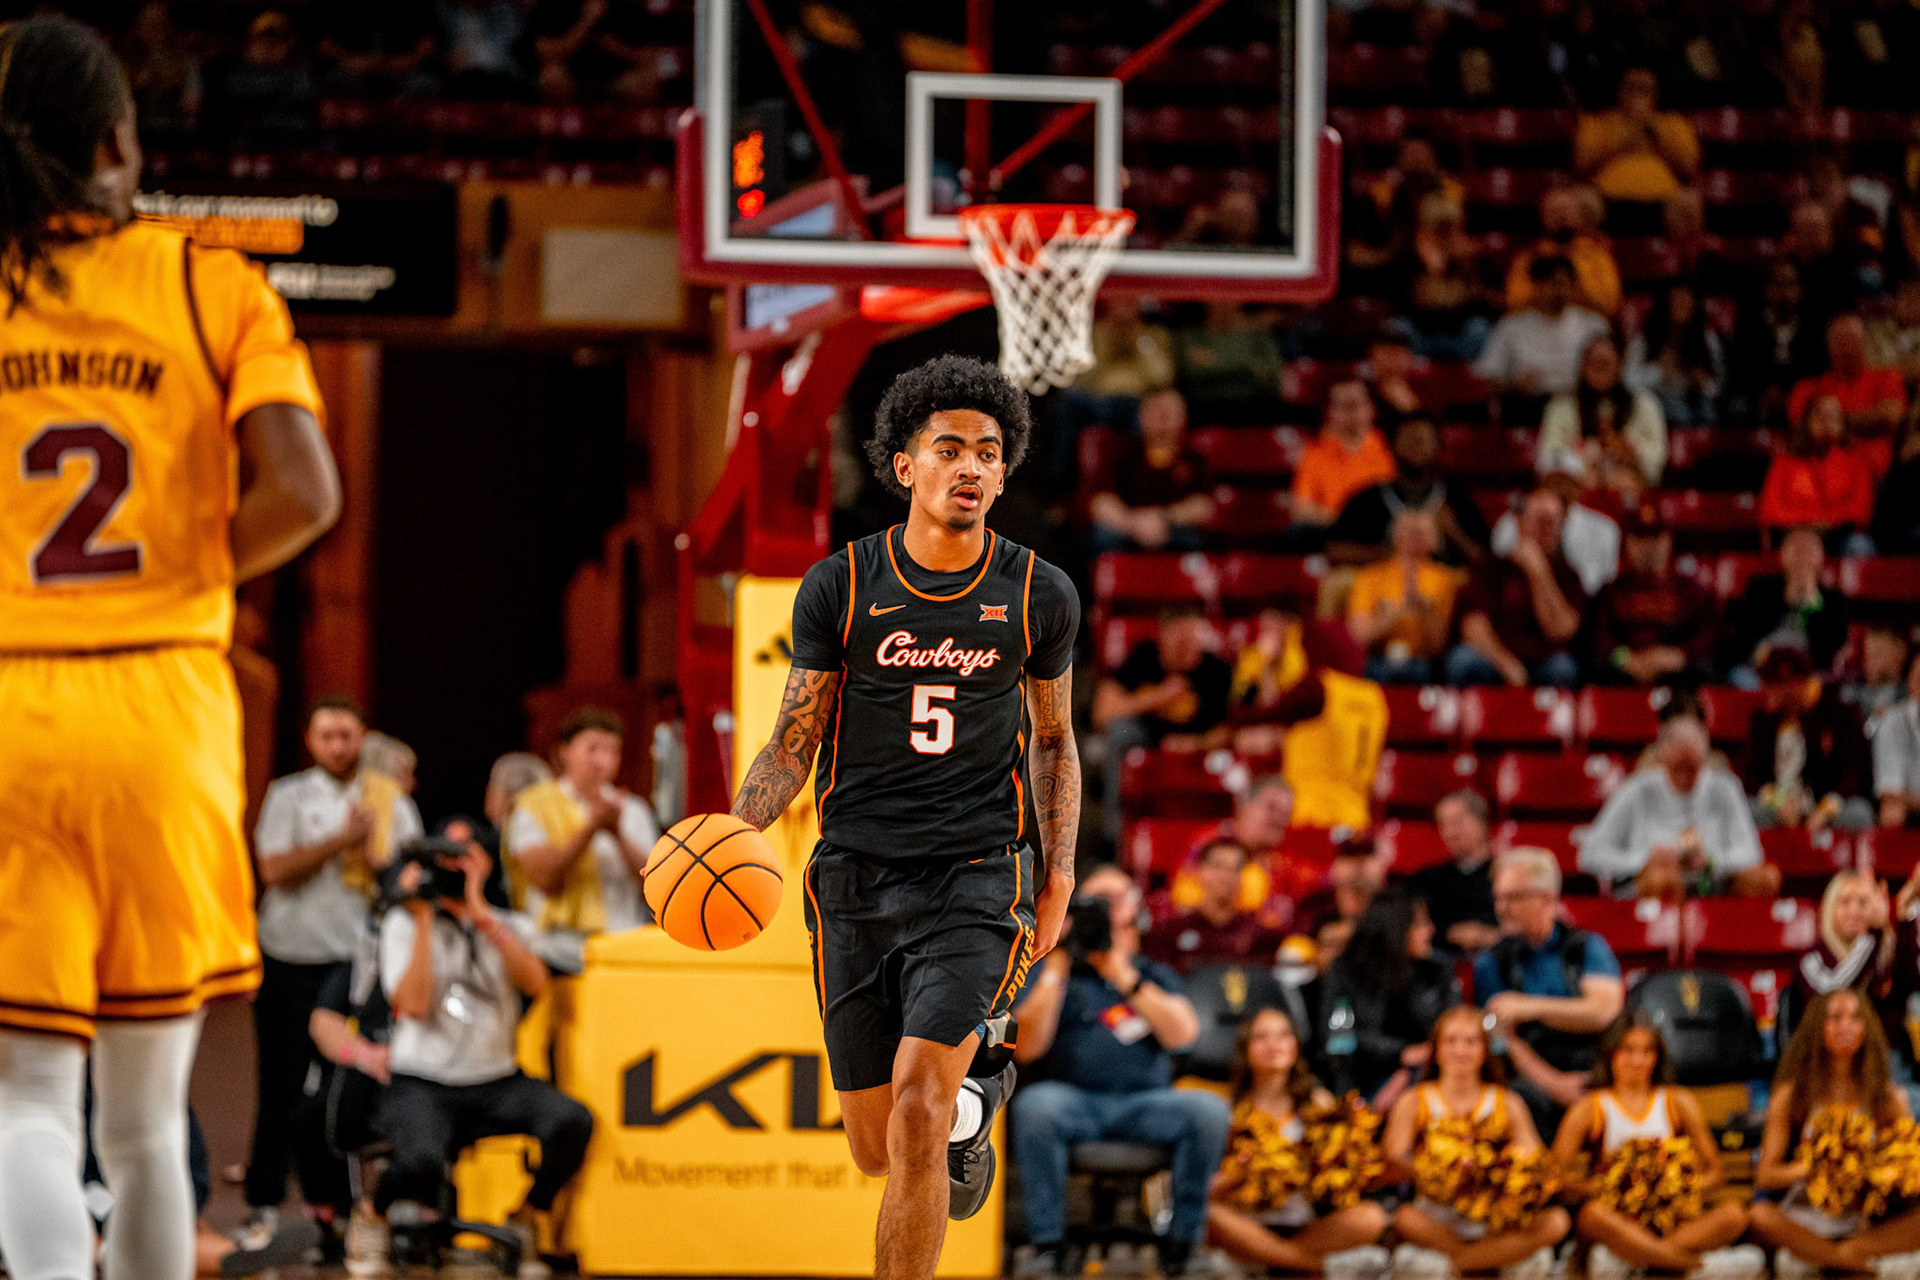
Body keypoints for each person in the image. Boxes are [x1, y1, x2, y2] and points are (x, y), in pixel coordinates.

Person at [0, 18, 340, 1279]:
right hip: (162, 702)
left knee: (26, 1097)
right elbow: (305, 494)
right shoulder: (209, 283)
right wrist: (191, 562)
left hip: (11, 702)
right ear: (115, 141)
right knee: (145, 1125)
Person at [728, 356, 1082, 1274]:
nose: (972, 466)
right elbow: (791, 741)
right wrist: (737, 827)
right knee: (880, 1146)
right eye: (950, 448)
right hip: (853, 874)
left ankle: (954, 1102)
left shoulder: (1038, 592)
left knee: (920, 1106)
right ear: (904, 466)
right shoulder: (840, 585)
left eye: (990, 453)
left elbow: (1053, 742)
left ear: (1005, 474)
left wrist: (1062, 874)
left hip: (976, 876)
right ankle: (977, 1102)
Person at [246, 696, 425, 1245]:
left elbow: (415, 876)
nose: (339, 746)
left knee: (347, 1085)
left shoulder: (388, 801)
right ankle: (263, 1203)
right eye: (327, 736)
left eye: (348, 735)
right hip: (293, 956)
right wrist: (339, 841)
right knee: (281, 1085)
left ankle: (345, 1207)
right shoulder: (289, 795)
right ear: (310, 740)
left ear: (362, 735)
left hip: (360, 964)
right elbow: (273, 869)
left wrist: (383, 861)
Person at [377, 845, 592, 1278]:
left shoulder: (508, 925)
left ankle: (528, 1213)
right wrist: (423, 920)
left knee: (572, 1121)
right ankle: (370, 1212)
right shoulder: (402, 924)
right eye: (445, 865)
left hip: (495, 1080)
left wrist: (480, 913)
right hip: (424, 1080)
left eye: (463, 864)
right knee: (419, 1160)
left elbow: (536, 983)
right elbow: (413, 1005)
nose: (453, 875)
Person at [1011, 867, 1227, 1278]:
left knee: (1208, 1111)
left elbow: (1184, 1035)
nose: (1105, 912)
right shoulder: (1054, 973)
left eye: (1115, 900)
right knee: (1035, 1107)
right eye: (1095, 902)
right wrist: (1057, 960)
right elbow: (1026, 1049)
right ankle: (1047, 1251)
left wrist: (1120, 974)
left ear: (1135, 911)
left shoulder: (1153, 973)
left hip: (1147, 1104)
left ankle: (1184, 1248)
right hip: (1074, 1101)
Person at [1548, 1014, 1753, 1280]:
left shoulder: (1677, 1101)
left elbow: (1716, 1172)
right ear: (1610, 1053)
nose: (1638, 1060)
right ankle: (1688, 1265)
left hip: (1672, 1222)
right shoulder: (1590, 1107)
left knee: (1735, 1215)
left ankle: (1643, 1261)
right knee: (1591, 1216)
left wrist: (1675, 1187)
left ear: (1658, 1056)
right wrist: (1604, 1187)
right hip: (1617, 1221)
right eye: (1628, 1050)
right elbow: (1554, 1177)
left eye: (1647, 1051)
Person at [1384, 1008, 1573, 1279]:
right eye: (1451, 1041)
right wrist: (1443, 1173)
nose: (1461, 1050)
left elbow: (1537, 1164)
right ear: (1435, 1050)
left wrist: (1494, 1173)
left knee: (1557, 1221)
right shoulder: (1414, 1100)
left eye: (1471, 1041)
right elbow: (1392, 1162)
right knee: (1403, 1218)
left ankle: (1464, 1261)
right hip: (1436, 1219)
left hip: (1495, 1222)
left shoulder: (1507, 1102)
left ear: (1485, 1049)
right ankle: (1490, 1259)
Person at [1206, 1008, 1392, 1274]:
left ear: (1295, 1045)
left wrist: (1336, 1168)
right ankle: (1318, 1267)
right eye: (1261, 1037)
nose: (1274, 1045)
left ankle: (1271, 1261)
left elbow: (1342, 1187)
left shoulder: (1319, 1103)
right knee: (1207, 1214)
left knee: (1371, 1217)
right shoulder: (1225, 1109)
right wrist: (1245, 1173)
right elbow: (1203, 1190)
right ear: (1245, 1049)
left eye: (1283, 1035)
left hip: (1304, 1226)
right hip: (1244, 1223)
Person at [1749, 990, 1920, 1276]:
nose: (1846, 1027)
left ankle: (1837, 1256)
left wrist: (1871, 1173)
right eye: (1835, 1018)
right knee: (1759, 1216)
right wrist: (1817, 1166)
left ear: (1867, 1028)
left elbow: (1909, 1172)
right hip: (1807, 1218)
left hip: (1865, 1220)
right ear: (1817, 1028)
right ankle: (1853, 1264)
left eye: (1855, 1018)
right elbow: (1766, 1175)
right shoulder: (1792, 1096)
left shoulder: (1890, 1098)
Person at [1474, 848, 1627, 1134]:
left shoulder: (1585, 947)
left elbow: (1604, 1011)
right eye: (1498, 898)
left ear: (1546, 898)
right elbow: (1500, 1039)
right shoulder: (1491, 960)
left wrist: (1530, 1007)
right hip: (1530, 1075)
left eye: (1513, 898)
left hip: (1593, 1067)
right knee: (1514, 1101)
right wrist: (1553, 1083)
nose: (1501, 909)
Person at [1581, 717, 1780, 899]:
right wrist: (1644, 858)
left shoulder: (1725, 787)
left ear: (1704, 758)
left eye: (1692, 768)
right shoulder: (1637, 789)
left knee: (1765, 878)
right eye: (1678, 767)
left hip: (1715, 885)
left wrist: (1711, 859)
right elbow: (1589, 854)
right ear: (1663, 756)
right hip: (1653, 887)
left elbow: (1752, 853)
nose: (1685, 776)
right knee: (1661, 880)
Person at [504, 707, 658, 938]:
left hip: (623, 940)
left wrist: (618, 834)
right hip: (555, 945)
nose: (602, 762)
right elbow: (544, 878)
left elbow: (655, 886)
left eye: (612, 751)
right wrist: (590, 828)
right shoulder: (532, 805)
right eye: (593, 748)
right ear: (565, 751)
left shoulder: (634, 810)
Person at [1320, 887, 1459, 1108]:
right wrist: (1400, 1053)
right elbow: (1338, 1038)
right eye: (1421, 924)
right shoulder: (1347, 971)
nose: (1431, 930)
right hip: (1360, 1077)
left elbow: (1453, 1030)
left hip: (1424, 1076)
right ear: (1396, 928)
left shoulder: (1437, 971)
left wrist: (1405, 1074)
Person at [1445, 488, 1587, 688]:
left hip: (1542, 660)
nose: (1549, 529)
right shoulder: (1489, 566)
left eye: (1555, 522)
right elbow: (1473, 628)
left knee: (1563, 668)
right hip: (1494, 656)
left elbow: (1561, 631)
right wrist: (1506, 664)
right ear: (1520, 522)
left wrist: (1540, 574)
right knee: (1463, 661)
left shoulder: (1568, 574)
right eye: (1541, 521)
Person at [1327, 415, 1491, 568]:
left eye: (1423, 440)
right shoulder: (1366, 500)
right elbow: (1335, 551)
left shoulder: (1458, 498)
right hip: (1384, 590)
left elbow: (1487, 562)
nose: (1416, 447)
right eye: (1409, 440)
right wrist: (1394, 553)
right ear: (1390, 446)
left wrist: (1453, 532)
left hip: (1444, 589)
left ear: (1438, 446)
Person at [1743, 646, 1875, 832]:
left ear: (1796, 683)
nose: (1765, 689)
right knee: (1748, 810)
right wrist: (1778, 802)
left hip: (1822, 805)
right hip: (1779, 807)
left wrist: (1826, 810)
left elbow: (1855, 774)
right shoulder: (1762, 721)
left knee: (1858, 813)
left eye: (1773, 683)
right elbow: (1753, 776)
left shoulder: (1840, 715)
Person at [1588, 502, 1718, 688]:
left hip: (1679, 674)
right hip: (1625, 673)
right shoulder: (1611, 592)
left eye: (1655, 536)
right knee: (1601, 669)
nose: (1648, 545)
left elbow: (1709, 636)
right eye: (1641, 537)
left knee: (1703, 670)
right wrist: (1626, 658)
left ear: (1668, 540)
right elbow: (1599, 643)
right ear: (1628, 543)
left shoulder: (1691, 589)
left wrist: (1679, 655)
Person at [1473, 256, 1611, 419]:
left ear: (1574, 286)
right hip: (1528, 407)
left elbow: (1613, 374)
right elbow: (1488, 375)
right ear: (1535, 286)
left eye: (1563, 283)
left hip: (1581, 407)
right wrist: (1514, 384)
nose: (1557, 290)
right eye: (1550, 283)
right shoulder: (1511, 326)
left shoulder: (1594, 325)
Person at [1167, 775, 1320, 923]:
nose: (1279, 819)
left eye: (1286, 813)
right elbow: (1185, 903)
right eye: (1271, 808)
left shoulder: (1284, 863)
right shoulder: (1211, 841)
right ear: (1244, 806)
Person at [1087, 388, 1215, 553]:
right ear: (1141, 416)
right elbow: (1100, 503)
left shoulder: (1193, 458)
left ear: (1184, 416)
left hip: (1173, 527)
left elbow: (1204, 506)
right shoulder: (1122, 453)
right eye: (1156, 411)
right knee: (1104, 536)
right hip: (1128, 527)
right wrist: (1133, 523)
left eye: (1168, 412)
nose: (1162, 418)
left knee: (1193, 539)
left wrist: (1164, 518)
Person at [1719, 526, 1852, 686]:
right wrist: (1785, 599)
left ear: (1821, 556)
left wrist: (1813, 602)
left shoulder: (1833, 599)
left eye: (1809, 550)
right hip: (1759, 668)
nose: (1802, 557)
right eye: (1796, 549)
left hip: (1807, 674)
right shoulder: (1760, 588)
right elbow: (1746, 634)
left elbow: (1829, 652)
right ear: (1782, 554)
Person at [1536, 333, 1667, 493]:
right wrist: (1585, 462)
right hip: (1578, 485)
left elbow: (1656, 458)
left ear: (1619, 365)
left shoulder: (1645, 404)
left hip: (1629, 483)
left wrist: (1630, 453)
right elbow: (1549, 458)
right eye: (1593, 363)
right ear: (1582, 366)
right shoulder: (1561, 407)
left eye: (1605, 363)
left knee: (1624, 482)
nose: (1599, 370)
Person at [1345, 509, 1463, 685]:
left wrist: (1424, 610)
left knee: (1422, 671)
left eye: (1422, 532)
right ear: (1394, 536)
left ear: (1435, 540)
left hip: (1426, 663)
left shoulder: (1448, 581)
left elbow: (1439, 645)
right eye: (1409, 531)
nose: (1415, 538)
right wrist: (1391, 615)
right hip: (1379, 659)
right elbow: (1358, 636)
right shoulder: (1370, 577)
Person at [1788, 872, 1899, 1058]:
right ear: (1830, 907)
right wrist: (1873, 936)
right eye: (1845, 902)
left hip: (1882, 1059)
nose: (1854, 911)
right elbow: (1832, 994)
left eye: (1863, 903)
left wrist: (1901, 920)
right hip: (1825, 1063)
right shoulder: (1812, 958)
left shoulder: (1882, 950)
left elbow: (1908, 988)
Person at [1787, 314, 1909, 476]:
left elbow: (1890, 417)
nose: (1846, 346)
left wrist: (1831, 420)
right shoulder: (1808, 388)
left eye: (1852, 339)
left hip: (1873, 475)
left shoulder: (1887, 378)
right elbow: (1802, 430)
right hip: (1817, 476)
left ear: (1865, 343)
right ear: (1828, 344)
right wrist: (1866, 422)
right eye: (1839, 339)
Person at [1758, 395, 1879, 555]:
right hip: (1795, 533)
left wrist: (1827, 523)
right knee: (1802, 543)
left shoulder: (1858, 461)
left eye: (1834, 417)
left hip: (1840, 535)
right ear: (1807, 420)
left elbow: (1860, 511)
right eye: (1821, 415)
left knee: (1860, 546)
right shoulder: (1786, 460)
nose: (1827, 422)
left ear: (1844, 423)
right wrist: (1809, 523)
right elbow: (1770, 509)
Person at [1490, 451, 1622, 597]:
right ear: (1539, 486)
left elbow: (1592, 586)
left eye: (1566, 482)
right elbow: (1501, 577)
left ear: (1580, 487)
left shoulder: (1603, 528)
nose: (1559, 489)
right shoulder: (1511, 523)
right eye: (1551, 482)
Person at [1147, 839, 1286, 973]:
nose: (1225, 876)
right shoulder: (1171, 934)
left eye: (1235, 868)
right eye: (1217, 866)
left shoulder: (1260, 937)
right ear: (1199, 871)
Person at [1574, 67, 1701, 209]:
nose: (1636, 96)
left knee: (1689, 201)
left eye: (1643, 90)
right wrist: (1625, 139)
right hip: (1603, 196)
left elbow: (1690, 170)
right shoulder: (1597, 122)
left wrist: (1654, 136)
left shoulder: (1674, 123)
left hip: (1665, 198)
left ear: (1655, 96)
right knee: (1581, 199)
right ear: (1619, 92)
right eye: (1630, 89)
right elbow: (1582, 166)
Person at [1289, 379, 1397, 543]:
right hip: (1335, 531)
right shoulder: (1314, 452)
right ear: (1329, 412)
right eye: (1343, 406)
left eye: (1356, 404)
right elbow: (1302, 509)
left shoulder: (1391, 447)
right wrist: (1347, 521)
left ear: (1371, 408)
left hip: (1383, 532)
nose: (1351, 412)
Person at [1503, 186, 1625, 320]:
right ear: (1542, 216)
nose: (1561, 217)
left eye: (1566, 210)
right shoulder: (1529, 257)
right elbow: (1513, 303)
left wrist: (1571, 296)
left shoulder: (1597, 254)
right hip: (1537, 326)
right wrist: (1548, 297)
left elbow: (1610, 305)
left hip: (1585, 325)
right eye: (1553, 211)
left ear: (1579, 215)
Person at [1410, 790, 1501, 955]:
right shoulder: (1427, 879)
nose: (1450, 833)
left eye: (1457, 823)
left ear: (1482, 823)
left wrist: (1490, 936)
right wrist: (1450, 933)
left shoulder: (1507, 876)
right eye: (1443, 824)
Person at [1625, 281, 1725, 427]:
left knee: (1709, 412)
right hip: (1660, 403)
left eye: (1686, 304)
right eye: (1676, 303)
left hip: (1697, 404)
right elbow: (1627, 382)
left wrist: (1702, 383)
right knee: (1676, 412)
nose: (1681, 308)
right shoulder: (1645, 338)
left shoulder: (1707, 338)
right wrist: (1658, 372)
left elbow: (1719, 386)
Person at [1874, 652, 1920, 828]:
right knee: (1892, 812)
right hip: (1911, 813)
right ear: (1911, 684)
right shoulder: (1893, 721)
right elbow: (1891, 795)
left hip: (1912, 800)